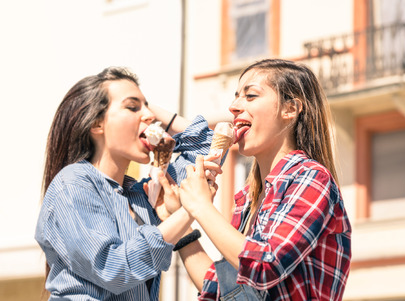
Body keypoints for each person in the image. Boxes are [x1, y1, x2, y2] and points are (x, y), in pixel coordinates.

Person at [34, 66, 221, 300]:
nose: (150, 115)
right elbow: (114, 269)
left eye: (147, 106)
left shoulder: (144, 195)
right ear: (96, 123)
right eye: (132, 107)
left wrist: (150, 115)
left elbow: (209, 144)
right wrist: (189, 211)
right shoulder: (73, 184)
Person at [175, 59, 352, 300]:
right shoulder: (249, 199)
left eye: (250, 96)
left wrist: (202, 207)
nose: (234, 106)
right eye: (236, 96)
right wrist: (178, 221)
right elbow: (222, 291)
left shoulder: (311, 178)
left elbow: (266, 265)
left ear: (290, 109)